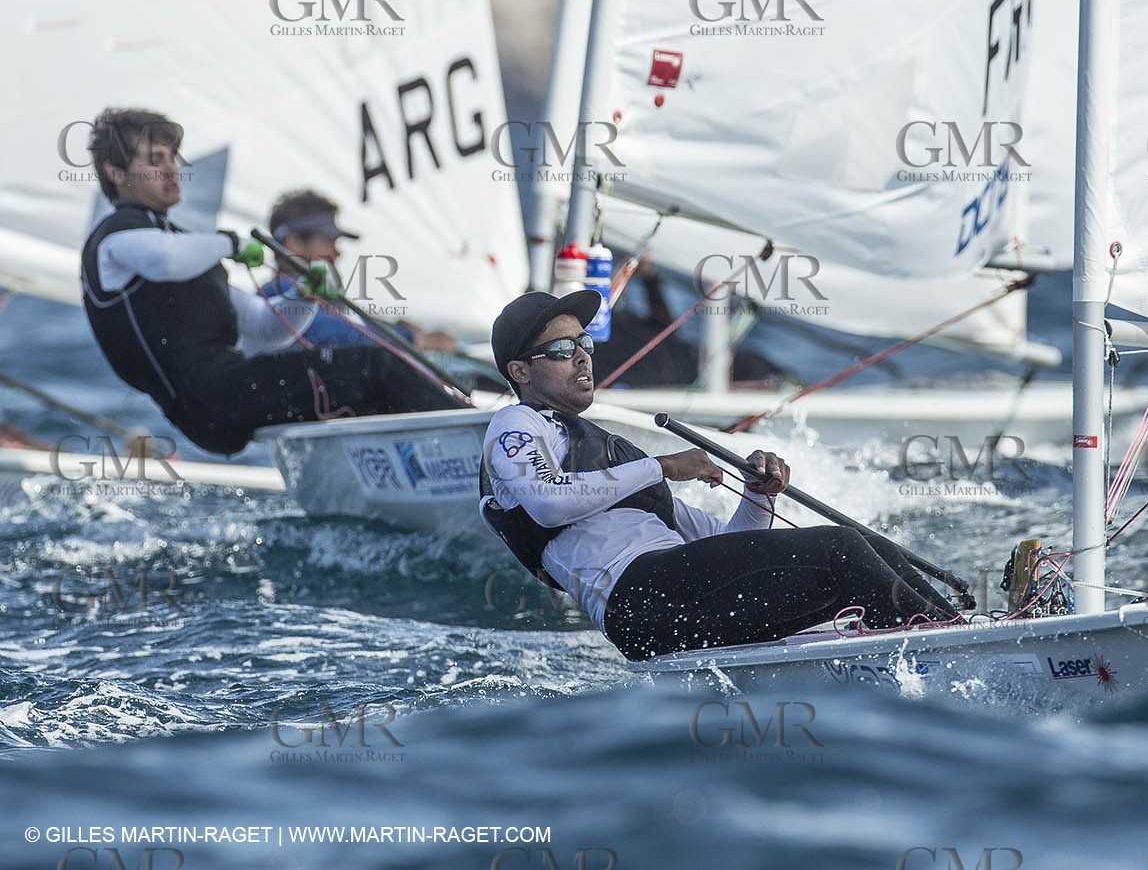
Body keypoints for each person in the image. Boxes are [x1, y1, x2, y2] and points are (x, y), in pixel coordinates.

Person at [479, 288, 961, 661]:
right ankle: (952, 645)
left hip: (679, 594)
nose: (582, 356)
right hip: (639, 600)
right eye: (562, 348)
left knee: (864, 547)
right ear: (520, 371)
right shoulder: (515, 423)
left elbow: (727, 541)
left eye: (584, 343)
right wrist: (662, 466)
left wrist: (757, 495)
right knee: (840, 549)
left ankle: (954, 630)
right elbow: (545, 501)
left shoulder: (602, 449)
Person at [79, 107, 465, 455]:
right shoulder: (115, 239)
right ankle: (484, 447)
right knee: (378, 367)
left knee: (371, 390)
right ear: (116, 173)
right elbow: (163, 260)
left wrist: (304, 296)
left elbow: (267, 327)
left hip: (224, 397)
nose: (171, 169)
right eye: (155, 160)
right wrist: (229, 242)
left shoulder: (185, 248)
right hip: (212, 396)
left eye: (171, 157)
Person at [258, 189, 458, 354]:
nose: (337, 253)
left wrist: (396, 328)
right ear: (294, 242)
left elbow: (349, 328)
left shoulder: (325, 301)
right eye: (328, 241)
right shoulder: (274, 295)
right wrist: (415, 339)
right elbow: (333, 334)